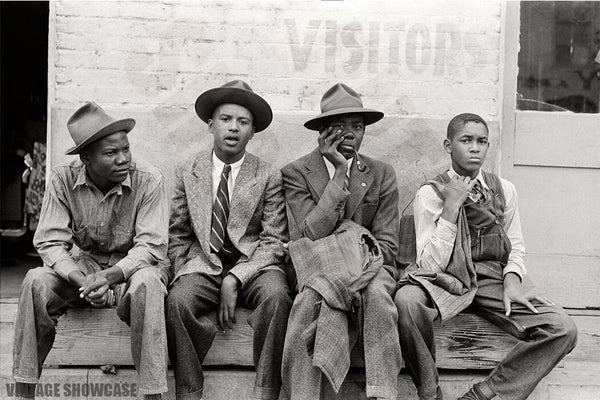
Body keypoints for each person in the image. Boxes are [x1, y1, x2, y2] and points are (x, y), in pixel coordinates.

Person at [395, 112, 578, 400]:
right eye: (466, 140)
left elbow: (515, 244)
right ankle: (430, 393)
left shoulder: (504, 189)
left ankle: (484, 392)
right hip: (447, 280)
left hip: (490, 278)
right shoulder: (431, 193)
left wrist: (513, 280)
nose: (475, 148)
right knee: (406, 301)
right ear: (448, 146)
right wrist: (451, 210)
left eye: (482, 141)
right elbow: (429, 264)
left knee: (562, 328)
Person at [12, 102, 170, 400]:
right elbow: (49, 241)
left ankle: (152, 395)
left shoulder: (149, 180)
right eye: (111, 153)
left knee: (150, 282)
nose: (123, 158)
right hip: (83, 270)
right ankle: (23, 392)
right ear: (86, 158)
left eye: (126, 149)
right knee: (35, 280)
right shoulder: (62, 178)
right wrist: (79, 279)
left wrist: (110, 277)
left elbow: (151, 246)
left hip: (130, 272)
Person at [165, 80, 292, 400]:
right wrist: (185, 268)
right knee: (178, 300)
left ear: (253, 132)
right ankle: (188, 390)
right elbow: (177, 232)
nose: (233, 128)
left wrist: (235, 278)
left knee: (277, 296)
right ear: (210, 125)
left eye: (243, 122)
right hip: (204, 261)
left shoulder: (267, 174)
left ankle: (267, 390)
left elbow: (275, 239)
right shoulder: (187, 169)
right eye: (225, 119)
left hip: (253, 265)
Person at [280, 83, 402, 400]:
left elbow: (387, 248)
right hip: (319, 272)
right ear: (322, 131)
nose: (350, 134)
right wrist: (338, 174)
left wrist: (350, 266)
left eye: (358, 127)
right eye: (340, 126)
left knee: (376, 293)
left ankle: (382, 393)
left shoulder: (381, 173)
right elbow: (312, 233)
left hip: (371, 271)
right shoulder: (296, 173)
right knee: (308, 302)